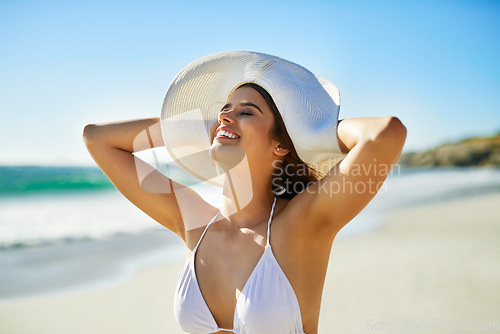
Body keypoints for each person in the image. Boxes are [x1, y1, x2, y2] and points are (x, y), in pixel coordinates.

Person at [83, 51, 407, 334]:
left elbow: (386, 134)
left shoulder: (300, 226)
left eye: (247, 111)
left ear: (281, 143)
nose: (226, 114)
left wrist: (310, 134)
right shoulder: (195, 224)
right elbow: (97, 139)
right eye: (225, 109)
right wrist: (197, 128)